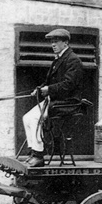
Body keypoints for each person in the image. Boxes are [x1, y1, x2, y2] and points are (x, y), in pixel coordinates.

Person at [22, 28, 84, 167]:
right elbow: (49, 82)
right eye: (51, 42)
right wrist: (39, 89)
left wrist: (48, 89)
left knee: (34, 118)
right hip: (56, 100)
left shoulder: (73, 60)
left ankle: (39, 156)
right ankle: (33, 151)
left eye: (56, 41)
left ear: (66, 43)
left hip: (67, 102)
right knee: (27, 117)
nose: (53, 45)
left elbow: (69, 84)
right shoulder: (58, 59)